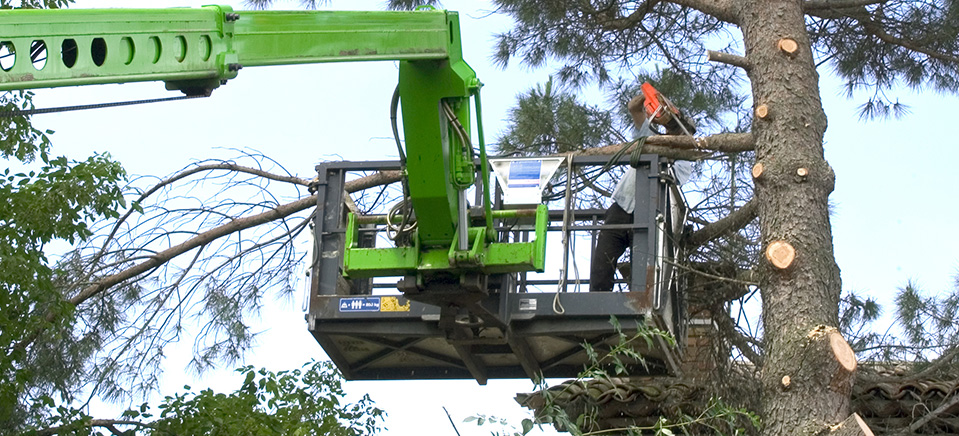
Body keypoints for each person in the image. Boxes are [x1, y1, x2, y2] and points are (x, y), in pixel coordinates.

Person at [588, 94, 691, 292]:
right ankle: (598, 302)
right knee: (601, 265)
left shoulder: (685, 160)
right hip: (621, 208)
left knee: (640, 274)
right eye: (674, 129)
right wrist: (650, 96)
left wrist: (666, 152)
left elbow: (673, 177)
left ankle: (638, 310)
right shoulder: (650, 139)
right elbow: (634, 108)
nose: (678, 135)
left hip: (649, 213)